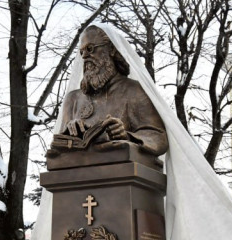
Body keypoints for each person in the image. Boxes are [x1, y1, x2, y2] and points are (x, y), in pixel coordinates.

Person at [53, 25, 168, 157]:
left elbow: (159, 138)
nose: (84, 56)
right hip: (79, 168)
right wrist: (69, 133)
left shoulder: (133, 91)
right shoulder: (73, 99)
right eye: (81, 52)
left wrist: (127, 136)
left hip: (121, 167)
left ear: (111, 49)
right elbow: (58, 150)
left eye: (90, 49)